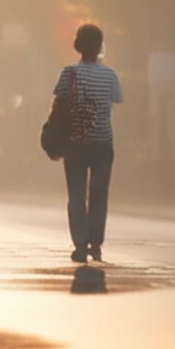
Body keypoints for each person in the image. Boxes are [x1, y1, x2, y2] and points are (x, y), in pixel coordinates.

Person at [54, 23, 123, 264]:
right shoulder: (110, 75)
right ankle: (96, 244)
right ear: (99, 45)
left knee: (76, 195)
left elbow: (59, 103)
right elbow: (116, 100)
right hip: (103, 143)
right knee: (99, 194)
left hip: (75, 143)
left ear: (77, 45)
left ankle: (80, 245)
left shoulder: (69, 73)